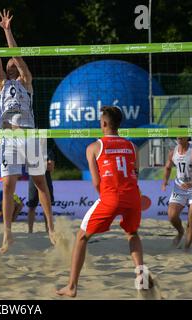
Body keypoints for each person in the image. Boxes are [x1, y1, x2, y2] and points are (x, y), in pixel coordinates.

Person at [0, 10, 56, 254]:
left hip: (28, 135)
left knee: (40, 182)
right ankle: (7, 235)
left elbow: (17, 56)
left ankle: (51, 228)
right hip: (9, 138)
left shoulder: (26, 81)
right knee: (8, 187)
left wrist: (7, 30)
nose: (11, 62)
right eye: (9, 62)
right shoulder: (1, 84)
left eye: (13, 62)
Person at [56, 106, 151, 297]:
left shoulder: (93, 147)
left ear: (105, 123)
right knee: (132, 233)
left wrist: (107, 200)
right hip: (132, 196)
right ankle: (142, 276)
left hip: (111, 197)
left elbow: (96, 182)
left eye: (101, 121)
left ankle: (72, 286)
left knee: (81, 237)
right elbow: (135, 175)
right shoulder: (132, 147)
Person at [162, 137, 192, 249]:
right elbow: (168, 167)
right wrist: (165, 181)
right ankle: (180, 232)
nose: (178, 138)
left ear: (187, 138)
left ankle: (186, 248)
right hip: (179, 187)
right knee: (172, 216)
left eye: (181, 135)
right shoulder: (173, 152)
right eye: (177, 135)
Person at [27, 147, 55, 233]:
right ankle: (30, 231)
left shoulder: (48, 151)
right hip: (33, 179)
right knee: (32, 206)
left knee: (47, 207)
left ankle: (48, 230)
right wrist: (44, 163)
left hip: (46, 180)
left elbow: (51, 167)